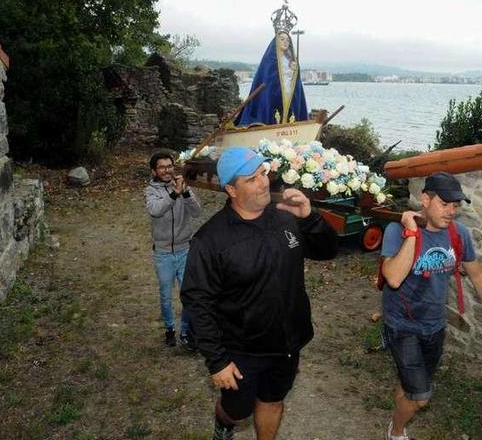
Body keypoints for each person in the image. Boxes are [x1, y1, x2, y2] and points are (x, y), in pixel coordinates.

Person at [181, 146, 338, 440]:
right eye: (252, 178)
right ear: (231, 189)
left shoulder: (285, 217)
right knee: (238, 410)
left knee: (272, 399)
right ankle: (223, 422)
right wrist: (217, 361)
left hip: (287, 342)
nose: (264, 182)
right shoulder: (210, 241)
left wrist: (309, 217)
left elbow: (328, 251)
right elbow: (197, 301)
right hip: (241, 349)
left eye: (264, 173)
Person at [378, 171, 482, 440]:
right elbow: (392, 278)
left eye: (456, 206)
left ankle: (405, 401)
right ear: (425, 200)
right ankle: (396, 431)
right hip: (402, 325)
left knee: (412, 386)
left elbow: (477, 274)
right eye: (444, 204)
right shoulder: (397, 231)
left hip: (435, 325)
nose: (451, 211)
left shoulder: (458, 234)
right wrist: (413, 234)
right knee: (421, 397)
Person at [145, 151, 202, 348]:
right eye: (162, 167)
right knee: (166, 294)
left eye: (169, 166)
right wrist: (174, 194)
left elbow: (197, 212)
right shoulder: (151, 191)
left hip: (184, 249)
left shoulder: (182, 187)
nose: (167, 170)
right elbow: (155, 210)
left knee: (188, 293)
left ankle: (186, 331)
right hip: (162, 253)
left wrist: (184, 192)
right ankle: (169, 328)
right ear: (154, 171)